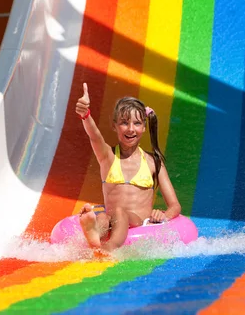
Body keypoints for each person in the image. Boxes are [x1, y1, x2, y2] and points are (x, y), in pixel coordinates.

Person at [75, 82, 181, 251]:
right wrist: (86, 115)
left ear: (144, 127)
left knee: (119, 212)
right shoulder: (108, 157)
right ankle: (95, 235)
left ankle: (110, 246)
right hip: (111, 219)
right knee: (102, 217)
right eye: (124, 122)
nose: (131, 129)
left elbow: (175, 205)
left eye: (137, 123)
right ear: (114, 126)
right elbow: (95, 137)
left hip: (138, 221)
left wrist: (163, 215)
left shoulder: (154, 162)